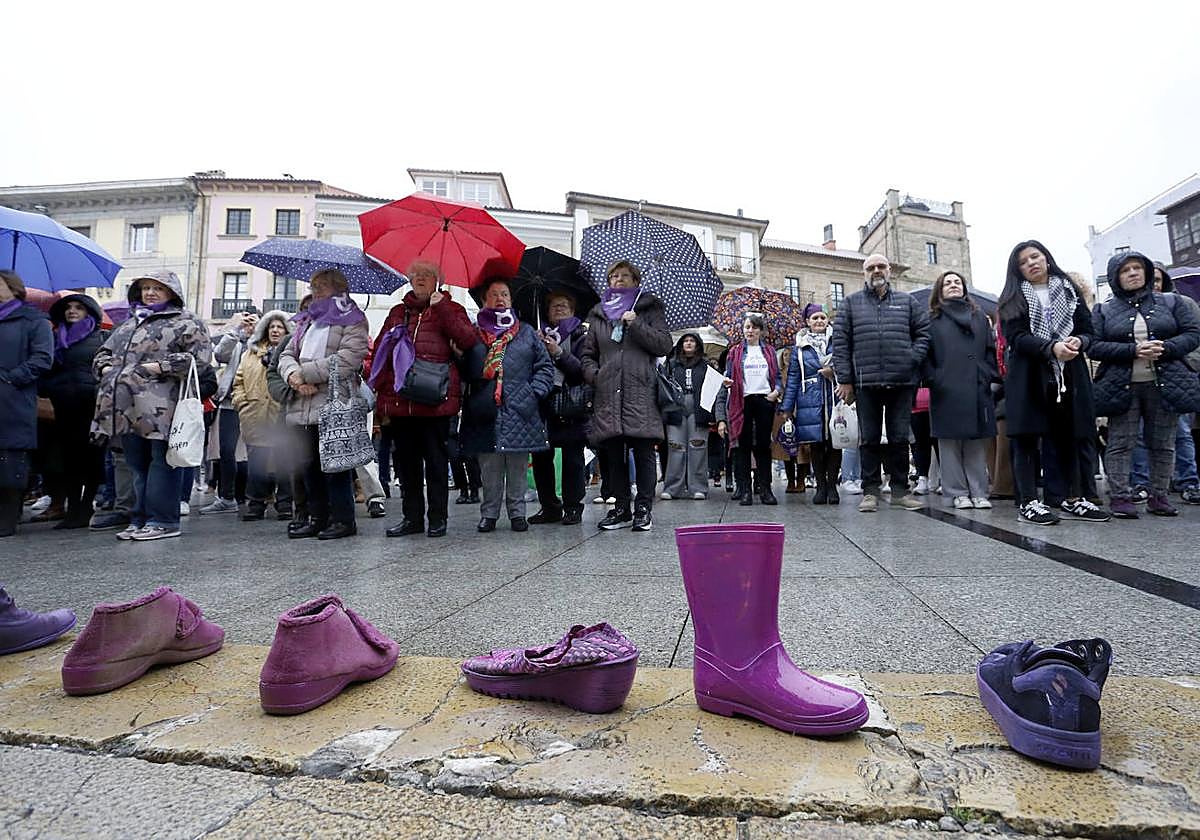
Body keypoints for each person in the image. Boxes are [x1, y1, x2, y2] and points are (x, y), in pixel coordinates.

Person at [92, 270, 212, 541]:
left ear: (171, 292)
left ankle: (164, 521)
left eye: (157, 288)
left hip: (163, 408)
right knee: (136, 464)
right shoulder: (128, 324)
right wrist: (105, 368)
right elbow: (102, 353)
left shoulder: (187, 322)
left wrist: (159, 366)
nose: (150, 293)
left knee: (162, 463)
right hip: (126, 409)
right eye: (145, 288)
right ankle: (140, 518)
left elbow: (199, 361)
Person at [996, 240, 1108, 525]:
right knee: (1027, 439)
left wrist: (1078, 341)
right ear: (1017, 269)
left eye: (1035, 256)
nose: (1031, 263)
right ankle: (1029, 501)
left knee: (1070, 434)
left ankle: (1073, 497)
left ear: (1046, 258)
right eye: (1023, 261)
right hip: (1029, 374)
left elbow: (1088, 331)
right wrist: (1050, 347)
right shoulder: (1012, 296)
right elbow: (1016, 337)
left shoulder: (1069, 290)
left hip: (1069, 372)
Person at [373, 260, 479, 539]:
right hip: (400, 401)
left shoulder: (451, 309)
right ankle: (412, 518)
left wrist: (441, 306)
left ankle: (437, 518)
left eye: (427, 274)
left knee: (435, 462)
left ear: (438, 281)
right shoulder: (398, 312)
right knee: (406, 465)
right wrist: (382, 395)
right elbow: (382, 353)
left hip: (436, 401)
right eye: (416, 274)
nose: (420, 278)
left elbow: (468, 340)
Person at [1090, 252, 1200, 518]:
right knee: (1120, 442)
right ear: (1116, 277)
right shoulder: (1104, 309)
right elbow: (1093, 345)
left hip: (1166, 383)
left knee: (1163, 442)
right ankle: (1120, 496)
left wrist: (1167, 347)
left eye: (1137, 268)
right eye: (1125, 270)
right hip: (1122, 385)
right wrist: (1133, 350)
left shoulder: (1173, 302)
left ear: (1147, 272)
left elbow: (1193, 333)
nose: (1132, 273)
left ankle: (1159, 495)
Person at [832, 254, 930, 513]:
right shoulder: (850, 304)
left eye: (881, 266)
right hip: (865, 383)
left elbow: (923, 334)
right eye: (871, 267)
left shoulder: (907, 302)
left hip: (902, 381)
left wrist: (913, 357)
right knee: (869, 439)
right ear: (864, 273)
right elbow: (841, 344)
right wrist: (845, 379)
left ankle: (900, 491)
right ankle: (870, 492)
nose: (876, 270)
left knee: (899, 437)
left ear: (889, 271)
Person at [580, 260, 673, 532]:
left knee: (643, 451)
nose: (618, 280)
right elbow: (588, 354)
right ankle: (621, 508)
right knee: (613, 453)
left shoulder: (648, 310)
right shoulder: (598, 315)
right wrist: (595, 375)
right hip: (608, 393)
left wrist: (636, 325)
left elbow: (663, 344)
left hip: (639, 391)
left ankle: (643, 508)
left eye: (624, 276)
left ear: (635, 281)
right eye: (613, 277)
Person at [277, 269, 369, 540]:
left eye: (322, 286)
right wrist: (293, 377)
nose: (316, 291)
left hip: (333, 402)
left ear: (338, 289)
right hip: (301, 402)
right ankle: (317, 517)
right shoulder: (307, 320)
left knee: (336, 465)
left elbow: (349, 357)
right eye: (314, 286)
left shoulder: (353, 319)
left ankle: (343, 519)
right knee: (308, 466)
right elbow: (286, 353)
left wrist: (305, 374)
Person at [461, 278, 554, 532]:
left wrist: (533, 393)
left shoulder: (525, 332)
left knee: (517, 465)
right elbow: (464, 369)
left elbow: (544, 367)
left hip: (520, 408)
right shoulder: (474, 332)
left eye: (505, 294)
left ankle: (517, 513)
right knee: (489, 465)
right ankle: (489, 513)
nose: (500, 299)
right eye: (494, 294)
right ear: (484, 300)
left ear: (511, 300)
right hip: (486, 408)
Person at [923, 271, 999, 509]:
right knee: (949, 444)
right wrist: (935, 378)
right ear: (940, 290)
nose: (953, 285)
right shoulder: (931, 319)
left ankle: (979, 492)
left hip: (976, 385)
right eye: (947, 283)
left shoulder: (979, 317)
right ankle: (956, 493)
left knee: (976, 442)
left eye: (957, 282)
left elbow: (990, 350)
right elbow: (925, 354)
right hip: (946, 387)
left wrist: (986, 373)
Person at [1128, 263, 1200, 505]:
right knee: (1137, 433)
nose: (1154, 285)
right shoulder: (1127, 308)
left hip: (1173, 379)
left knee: (1180, 433)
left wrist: (1176, 356)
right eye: (1151, 280)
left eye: (1158, 280)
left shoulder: (1180, 305)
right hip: (1139, 379)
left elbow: (1194, 339)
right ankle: (1142, 482)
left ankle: (1188, 481)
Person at [40, 294, 106, 529]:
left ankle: (86, 505)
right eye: (68, 307)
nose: (72, 311)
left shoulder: (100, 338)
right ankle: (72, 507)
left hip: (90, 405)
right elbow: (45, 369)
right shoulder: (55, 338)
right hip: (62, 405)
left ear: (89, 312)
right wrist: (50, 388)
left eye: (79, 307)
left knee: (90, 457)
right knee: (67, 458)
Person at [530, 291, 592, 524]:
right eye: (554, 306)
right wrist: (534, 347)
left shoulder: (581, 336)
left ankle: (573, 506)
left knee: (572, 459)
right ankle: (549, 506)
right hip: (542, 403)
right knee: (540, 457)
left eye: (564, 305)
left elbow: (581, 371)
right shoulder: (535, 334)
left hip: (570, 403)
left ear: (573, 311)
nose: (559, 309)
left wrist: (559, 353)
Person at [0, 271, 53, 538]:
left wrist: (11, 378)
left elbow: (43, 358)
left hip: (13, 399)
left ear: (13, 288)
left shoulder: (34, 320)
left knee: (11, 461)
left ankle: (8, 518)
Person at [231, 309, 293, 521]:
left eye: (280, 327)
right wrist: (242, 403)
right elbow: (238, 381)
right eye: (272, 327)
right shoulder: (251, 352)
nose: (275, 330)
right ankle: (255, 504)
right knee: (257, 462)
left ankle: (284, 503)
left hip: (282, 415)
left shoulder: (292, 351)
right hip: (255, 416)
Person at [781, 305, 841, 504]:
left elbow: (847, 365)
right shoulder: (800, 347)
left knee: (835, 443)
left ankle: (832, 487)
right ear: (807, 321)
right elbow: (793, 378)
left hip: (834, 397)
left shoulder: (837, 342)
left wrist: (833, 373)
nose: (819, 321)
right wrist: (787, 408)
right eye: (815, 318)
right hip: (809, 400)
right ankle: (821, 487)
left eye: (823, 317)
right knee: (816, 445)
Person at [202, 307, 257, 514]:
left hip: (254, 403)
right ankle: (227, 497)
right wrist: (235, 330)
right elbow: (219, 354)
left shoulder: (261, 343)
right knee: (226, 451)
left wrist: (259, 330)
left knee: (256, 451)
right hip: (229, 402)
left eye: (252, 321)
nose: (248, 325)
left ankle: (253, 496)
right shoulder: (236, 343)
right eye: (246, 320)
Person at [724, 313, 782, 506]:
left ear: (760, 331)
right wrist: (726, 381)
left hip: (765, 400)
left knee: (764, 446)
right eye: (747, 327)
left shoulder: (770, 351)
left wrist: (776, 392)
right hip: (742, 401)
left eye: (754, 327)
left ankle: (766, 489)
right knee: (743, 447)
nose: (750, 330)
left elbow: (778, 376)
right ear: (743, 329)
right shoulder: (735, 352)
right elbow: (729, 374)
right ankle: (746, 490)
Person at [661, 332, 716, 501]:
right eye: (686, 341)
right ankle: (672, 488)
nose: (689, 343)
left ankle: (698, 487)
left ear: (698, 345)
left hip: (698, 408)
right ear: (681, 345)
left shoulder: (706, 366)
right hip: (675, 408)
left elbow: (714, 387)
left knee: (698, 447)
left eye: (692, 341)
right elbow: (663, 386)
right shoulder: (671, 365)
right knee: (675, 447)